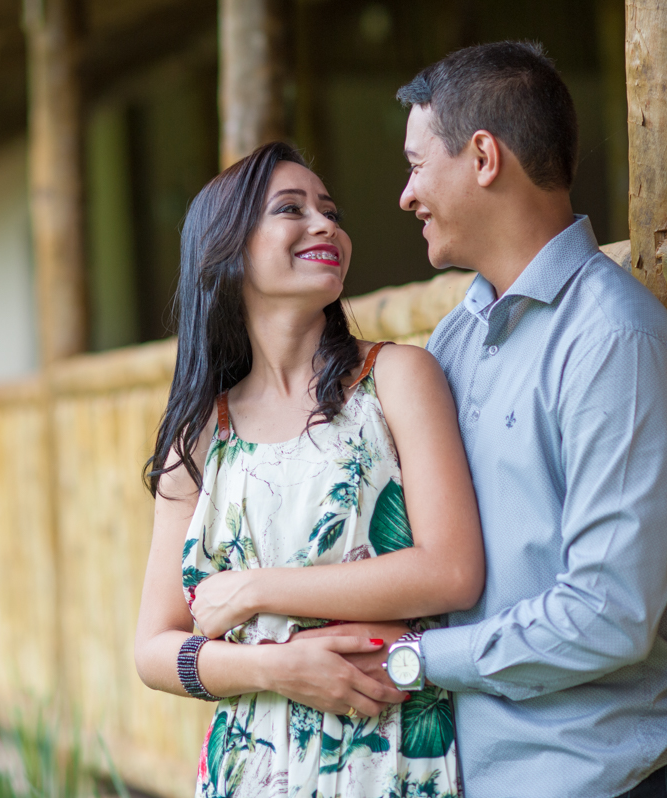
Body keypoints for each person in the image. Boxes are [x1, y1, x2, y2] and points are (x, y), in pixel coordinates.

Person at [317, 41, 667, 798]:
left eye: (415, 164)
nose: (405, 195)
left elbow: (607, 614)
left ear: (484, 157)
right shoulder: (457, 337)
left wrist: (417, 660)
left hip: (603, 779)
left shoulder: (616, 344)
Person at [134, 141, 484, 798]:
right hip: (250, 771)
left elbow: (453, 573)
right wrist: (278, 669)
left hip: (386, 758)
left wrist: (258, 590)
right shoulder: (204, 432)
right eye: (290, 209)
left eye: (330, 210)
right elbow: (154, 649)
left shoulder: (397, 380)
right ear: (228, 249)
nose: (326, 225)